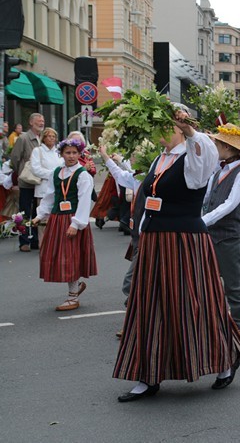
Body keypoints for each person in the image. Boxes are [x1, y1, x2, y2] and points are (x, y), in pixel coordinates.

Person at [113, 108, 240, 402]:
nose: (158, 133)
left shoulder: (194, 156)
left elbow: (205, 154)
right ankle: (147, 375)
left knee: (195, 304)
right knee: (149, 305)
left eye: (164, 127)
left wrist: (188, 130)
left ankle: (225, 361)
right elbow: (143, 192)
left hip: (184, 240)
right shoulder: (160, 159)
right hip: (155, 239)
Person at [32, 137, 97, 311]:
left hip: (73, 219)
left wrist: (76, 224)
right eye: (67, 153)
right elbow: (50, 196)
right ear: (61, 154)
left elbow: (84, 201)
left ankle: (72, 297)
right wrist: (40, 215)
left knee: (70, 258)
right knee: (60, 257)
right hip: (57, 218)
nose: (71, 156)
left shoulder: (83, 175)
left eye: (75, 153)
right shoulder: (57, 172)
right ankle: (74, 288)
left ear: (79, 154)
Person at [202, 124, 240, 333]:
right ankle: (214, 323)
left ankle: (239, 327)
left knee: (233, 285)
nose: (215, 147)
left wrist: (204, 221)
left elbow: (230, 204)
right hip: (210, 235)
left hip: (229, 237)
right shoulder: (217, 172)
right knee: (206, 283)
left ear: (228, 148)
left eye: (218, 144)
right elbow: (206, 199)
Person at [98, 143, 141, 339]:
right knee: (137, 282)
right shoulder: (138, 178)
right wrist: (106, 157)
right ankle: (138, 321)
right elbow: (122, 175)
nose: (133, 161)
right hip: (139, 236)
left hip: (151, 237)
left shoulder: (153, 178)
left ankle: (133, 322)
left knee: (130, 282)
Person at [10, 113, 44, 251]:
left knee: (38, 212)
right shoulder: (23, 138)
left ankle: (35, 240)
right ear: (31, 122)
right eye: (38, 121)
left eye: (43, 121)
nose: (41, 123)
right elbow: (15, 158)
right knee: (24, 212)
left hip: (40, 183)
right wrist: (22, 173)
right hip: (26, 182)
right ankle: (24, 241)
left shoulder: (43, 138)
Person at [30, 128, 63, 204]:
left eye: (53, 136)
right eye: (49, 136)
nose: (51, 138)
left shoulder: (59, 151)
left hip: (58, 188)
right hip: (43, 189)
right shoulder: (38, 151)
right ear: (44, 138)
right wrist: (53, 174)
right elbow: (36, 169)